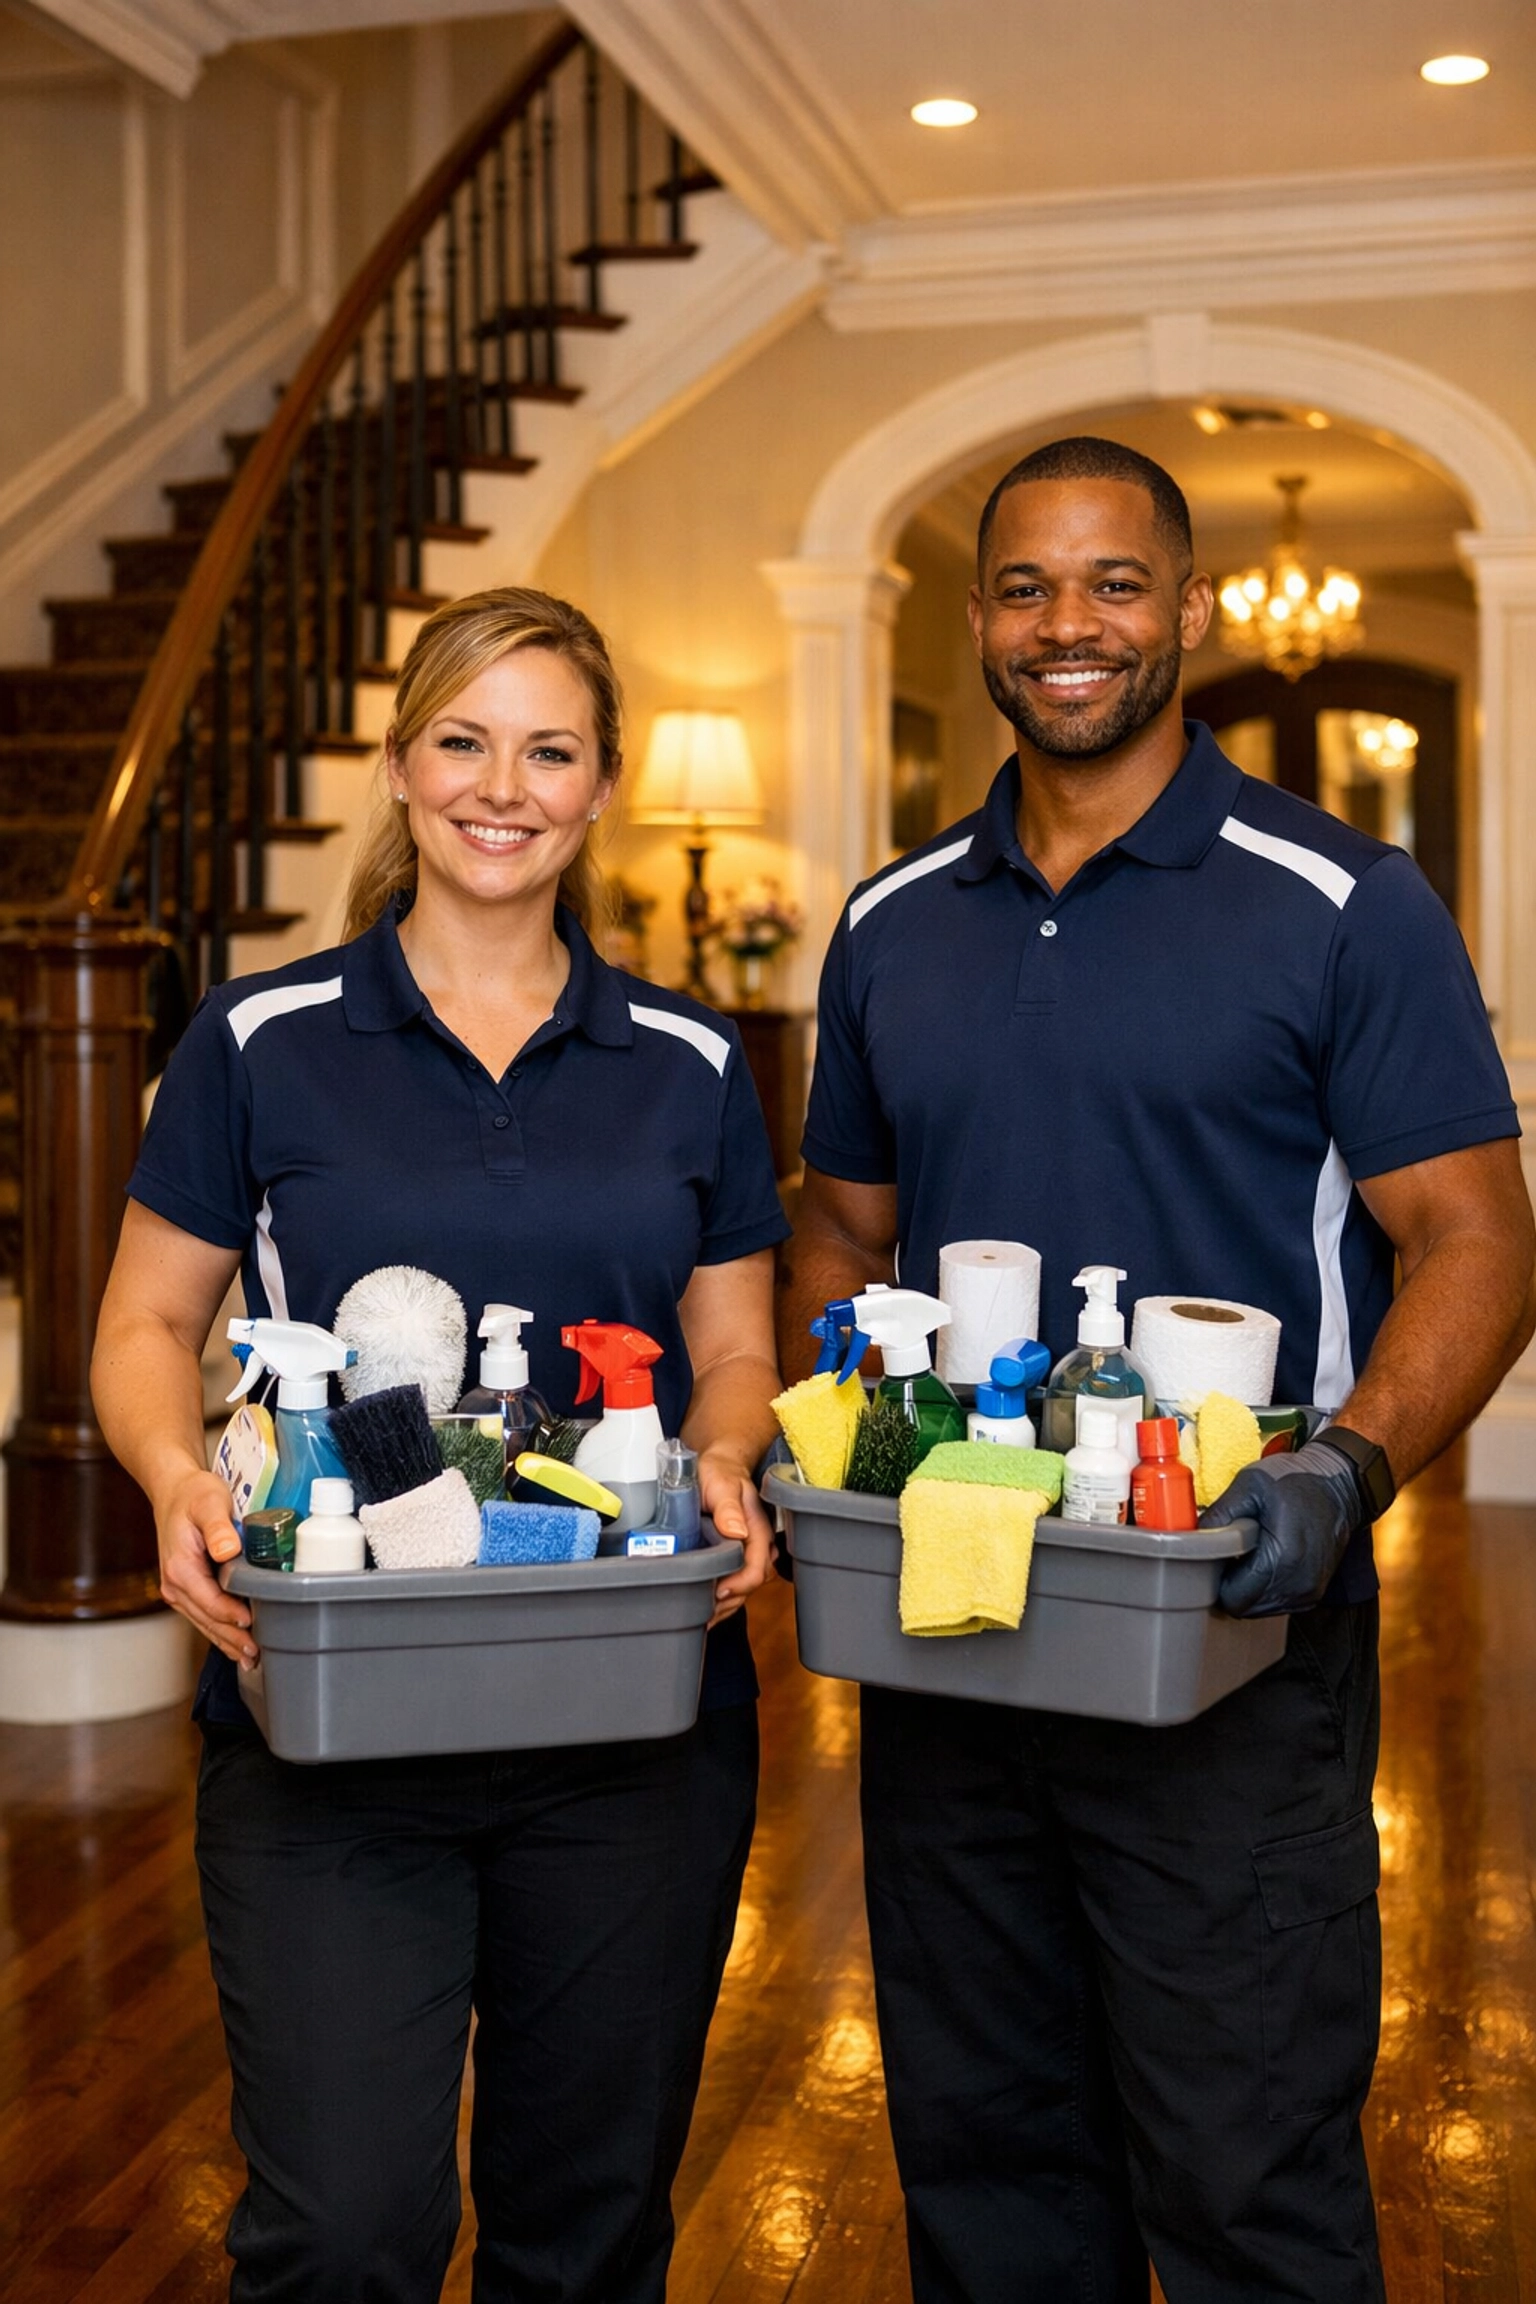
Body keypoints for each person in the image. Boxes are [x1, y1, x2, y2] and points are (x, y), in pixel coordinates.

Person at [778, 437, 1536, 2304]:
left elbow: (1479, 1243)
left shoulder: (1341, 901)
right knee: (987, 2167)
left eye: (1116, 582)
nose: (1071, 624)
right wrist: (832, 1439)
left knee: (1244, 2173)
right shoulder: (889, 923)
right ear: (980, 621)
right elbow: (842, 1230)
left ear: (1190, 608)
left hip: (1228, 1633)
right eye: (1027, 586)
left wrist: (1342, 1473)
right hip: (953, 1624)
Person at [92, 586, 789, 2304]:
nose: (503, 786)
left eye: (549, 751)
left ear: (603, 784)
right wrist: (179, 1482)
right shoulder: (258, 1041)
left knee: (589, 2229)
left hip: (630, 1723)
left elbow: (734, 1350)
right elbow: (146, 1327)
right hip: (332, 1715)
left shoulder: (692, 1058)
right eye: (464, 742)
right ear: (402, 767)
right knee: (338, 2236)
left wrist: (723, 1460)